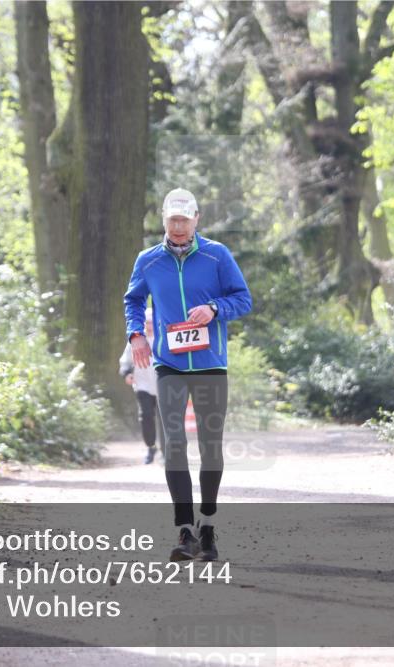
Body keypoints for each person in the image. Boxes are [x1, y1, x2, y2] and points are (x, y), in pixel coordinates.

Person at [123, 187, 252, 562]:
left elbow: (243, 299)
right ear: (164, 221)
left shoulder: (216, 255)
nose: (178, 227)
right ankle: (185, 530)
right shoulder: (148, 261)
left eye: (184, 219)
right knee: (174, 444)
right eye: (171, 220)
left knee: (210, 446)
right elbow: (132, 300)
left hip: (211, 364)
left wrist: (214, 308)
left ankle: (207, 526)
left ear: (196, 219)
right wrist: (136, 335)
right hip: (169, 365)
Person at [118, 307, 165, 464]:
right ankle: (151, 447)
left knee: (165, 419)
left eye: (152, 322)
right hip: (142, 384)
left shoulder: (163, 339)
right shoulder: (136, 341)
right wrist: (127, 373)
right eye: (147, 323)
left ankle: (167, 451)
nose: (149, 326)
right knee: (146, 417)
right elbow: (125, 361)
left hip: (163, 385)